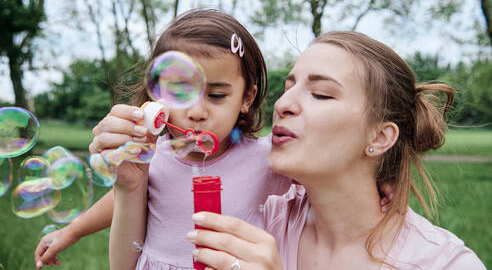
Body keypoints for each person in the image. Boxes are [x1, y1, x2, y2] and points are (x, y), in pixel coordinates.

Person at [186, 31, 486, 269]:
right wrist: (136, 184)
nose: (282, 104)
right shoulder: (256, 217)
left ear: (381, 137)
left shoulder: (444, 264)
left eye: (321, 94)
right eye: (288, 87)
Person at [34, 8, 292, 269]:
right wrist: (71, 231)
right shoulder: (150, 155)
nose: (197, 113)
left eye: (216, 96)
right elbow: (120, 197)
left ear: (246, 98)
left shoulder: (266, 158)